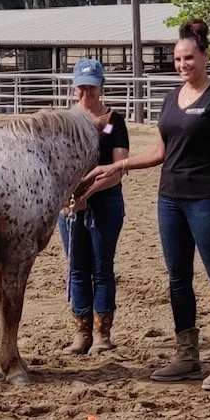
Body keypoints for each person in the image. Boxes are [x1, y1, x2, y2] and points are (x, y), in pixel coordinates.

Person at [82, 19, 210, 391]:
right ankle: (186, 355)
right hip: (169, 199)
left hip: (206, 199)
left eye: (189, 57)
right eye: (177, 59)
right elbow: (161, 151)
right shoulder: (171, 98)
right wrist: (117, 165)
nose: (183, 64)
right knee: (177, 279)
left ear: (204, 56)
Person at [58, 58, 130, 356]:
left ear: (101, 87)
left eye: (90, 86)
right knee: (76, 267)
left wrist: (90, 190)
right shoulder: (65, 121)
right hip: (72, 204)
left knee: (102, 268)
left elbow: (119, 166)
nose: (85, 92)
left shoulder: (114, 121)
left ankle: (102, 333)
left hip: (105, 200)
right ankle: (81, 332)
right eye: (81, 86)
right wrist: (69, 194)